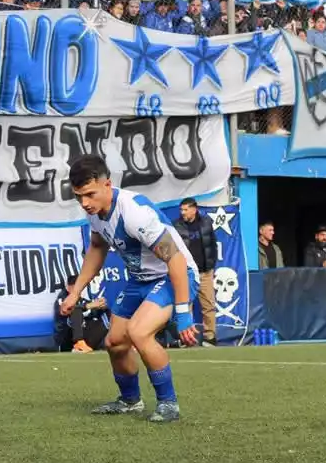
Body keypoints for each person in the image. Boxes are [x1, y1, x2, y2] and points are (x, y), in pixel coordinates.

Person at [60, 155, 199, 423]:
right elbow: (98, 248)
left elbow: (176, 260)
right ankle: (129, 401)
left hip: (173, 275)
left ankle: (169, 404)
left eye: (89, 194)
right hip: (139, 280)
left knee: (138, 332)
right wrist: (76, 292)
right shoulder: (96, 214)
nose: (85, 203)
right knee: (114, 342)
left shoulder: (134, 213)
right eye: (79, 197)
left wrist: (183, 312)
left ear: (108, 184)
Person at [173, 198, 218, 346]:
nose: (183, 212)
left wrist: (211, 265)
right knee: (186, 306)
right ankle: (187, 339)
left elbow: (212, 244)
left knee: (208, 305)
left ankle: (209, 338)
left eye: (185, 209)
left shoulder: (206, 222)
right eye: (181, 210)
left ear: (194, 209)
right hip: (187, 273)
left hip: (205, 272)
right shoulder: (176, 226)